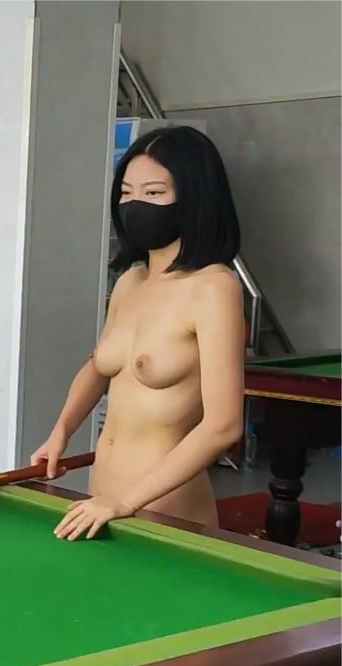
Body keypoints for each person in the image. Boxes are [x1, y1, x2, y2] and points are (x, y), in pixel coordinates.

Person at [30, 125, 244, 540]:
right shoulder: (131, 281)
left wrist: (126, 501)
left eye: (153, 192)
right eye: (126, 193)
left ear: (195, 197)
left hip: (165, 510)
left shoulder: (214, 288)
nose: (134, 204)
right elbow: (98, 367)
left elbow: (224, 425)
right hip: (101, 499)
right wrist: (60, 432)